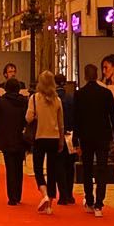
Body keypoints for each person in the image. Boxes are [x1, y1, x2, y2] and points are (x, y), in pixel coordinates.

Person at [72, 62, 114, 216]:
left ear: (85, 76)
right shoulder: (106, 93)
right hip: (102, 136)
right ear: (97, 74)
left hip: (86, 137)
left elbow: (76, 119)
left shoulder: (80, 94)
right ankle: (99, 202)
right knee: (102, 168)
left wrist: (75, 140)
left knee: (87, 168)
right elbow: (113, 116)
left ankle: (89, 199)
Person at [28, 69, 67, 213]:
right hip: (54, 137)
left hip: (39, 137)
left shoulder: (34, 98)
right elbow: (61, 123)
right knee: (52, 170)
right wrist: (61, 140)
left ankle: (44, 194)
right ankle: (50, 204)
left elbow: (28, 118)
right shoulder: (57, 100)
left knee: (38, 168)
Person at [0, 74, 31, 204]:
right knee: (19, 167)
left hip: (6, 138)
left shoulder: (1, 102)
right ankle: (18, 194)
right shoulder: (24, 102)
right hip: (20, 138)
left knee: (10, 168)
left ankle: (12, 197)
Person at [54, 76, 78, 204]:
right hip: (70, 135)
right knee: (70, 165)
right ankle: (70, 194)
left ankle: (62, 194)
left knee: (59, 165)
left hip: (57, 135)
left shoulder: (53, 99)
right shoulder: (71, 98)